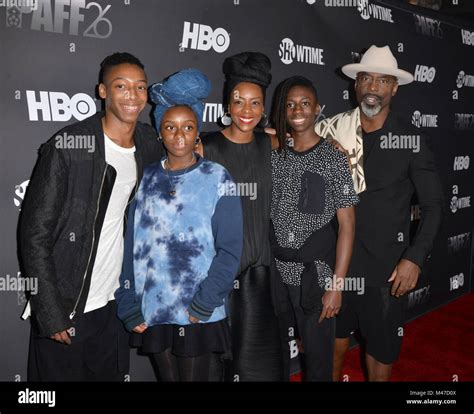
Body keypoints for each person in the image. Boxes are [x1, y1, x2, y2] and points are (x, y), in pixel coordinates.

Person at [19, 52, 163, 381]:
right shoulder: (69, 145)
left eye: (140, 87)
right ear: (102, 91)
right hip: (67, 302)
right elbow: (35, 234)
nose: (133, 95)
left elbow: (184, 145)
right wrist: (50, 312)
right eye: (121, 86)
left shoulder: (148, 143)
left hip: (114, 304)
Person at [315, 45, 444, 381]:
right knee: (330, 351)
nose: (373, 87)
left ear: (394, 88)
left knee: (380, 358)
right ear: (355, 85)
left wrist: (414, 258)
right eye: (366, 79)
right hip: (336, 265)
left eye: (382, 81)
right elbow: (286, 142)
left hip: (385, 273)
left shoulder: (410, 141)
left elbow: (433, 207)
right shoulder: (331, 132)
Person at [115, 68, 243, 382]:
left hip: (197, 309)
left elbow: (230, 250)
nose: (179, 135)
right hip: (154, 308)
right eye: (170, 127)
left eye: (188, 127)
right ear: (160, 132)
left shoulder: (217, 177)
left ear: (198, 131)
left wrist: (204, 302)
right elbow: (131, 246)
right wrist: (129, 301)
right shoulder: (145, 178)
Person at [198, 51, 283, 381]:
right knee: (217, 366)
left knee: (259, 369)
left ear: (263, 109)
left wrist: (331, 145)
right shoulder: (205, 147)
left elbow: (310, 146)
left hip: (260, 272)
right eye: (239, 102)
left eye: (255, 103)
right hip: (216, 270)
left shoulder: (271, 144)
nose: (246, 111)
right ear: (227, 106)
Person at [270, 76, 358, 381]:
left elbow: (347, 225)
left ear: (317, 109)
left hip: (317, 276)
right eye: (290, 104)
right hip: (277, 274)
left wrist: (337, 287)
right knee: (275, 357)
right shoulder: (274, 154)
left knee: (319, 365)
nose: (297, 110)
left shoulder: (334, 158)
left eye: (305, 103)